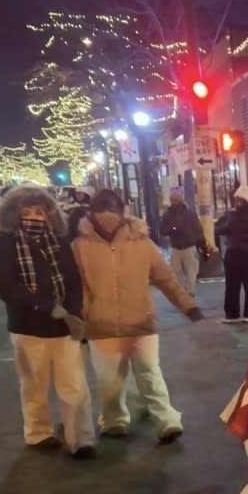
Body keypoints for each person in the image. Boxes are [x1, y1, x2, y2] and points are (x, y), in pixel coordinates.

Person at [71, 189, 204, 444]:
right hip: (101, 325)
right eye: (101, 212)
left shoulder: (142, 243)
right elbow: (78, 288)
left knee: (150, 375)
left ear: (122, 212)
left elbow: (165, 278)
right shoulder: (80, 246)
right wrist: (83, 320)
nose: (107, 218)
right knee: (109, 382)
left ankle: (167, 420)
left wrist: (187, 305)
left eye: (112, 211)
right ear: (92, 214)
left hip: (141, 322)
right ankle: (114, 421)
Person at [0, 186, 96, 460]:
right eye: (27, 211)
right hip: (28, 327)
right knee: (34, 385)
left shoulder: (60, 243)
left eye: (40, 211)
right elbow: (6, 287)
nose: (35, 216)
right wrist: (47, 306)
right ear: (14, 214)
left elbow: (73, 280)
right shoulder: (3, 245)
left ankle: (80, 438)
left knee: (73, 384)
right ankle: (38, 433)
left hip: (64, 327)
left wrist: (73, 311)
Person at [214, 185, 248, 324]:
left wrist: (240, 236)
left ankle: (238, 315)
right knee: (243, 287)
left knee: (240, 286)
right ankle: (243, 315)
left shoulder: (237, 215)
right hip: (245, 255)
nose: (237, 202)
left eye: (239, 199)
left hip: (241, 254)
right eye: (236, 199)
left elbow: (219, 228)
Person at [159, 185, 206, 297]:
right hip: (177, 247)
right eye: (172, 200)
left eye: (176, 200)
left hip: (188, 246)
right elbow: (162, 230)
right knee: (178, 273)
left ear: (180, 200)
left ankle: (189, 292)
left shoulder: (189, 214)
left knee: (191, 272)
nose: (174, 202)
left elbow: (197, 229)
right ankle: (184, 292)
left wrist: (202, 244)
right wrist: (173, 229)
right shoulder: (168, 215)